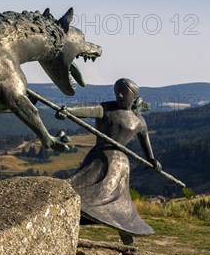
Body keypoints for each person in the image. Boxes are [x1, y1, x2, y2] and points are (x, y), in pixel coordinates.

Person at [57, 78, 161, 245]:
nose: (119, 94)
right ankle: (64, 221)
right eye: (117, 91)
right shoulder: (106, 109)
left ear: (133, 96)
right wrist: (68, 111)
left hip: (120, 165)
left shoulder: (139, 120)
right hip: (99, 158)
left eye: (124, 92)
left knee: (120, 203)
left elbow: (145, 142)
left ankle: (128, 240)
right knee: (76, 189)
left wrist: (152, 159)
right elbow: (89, 110)